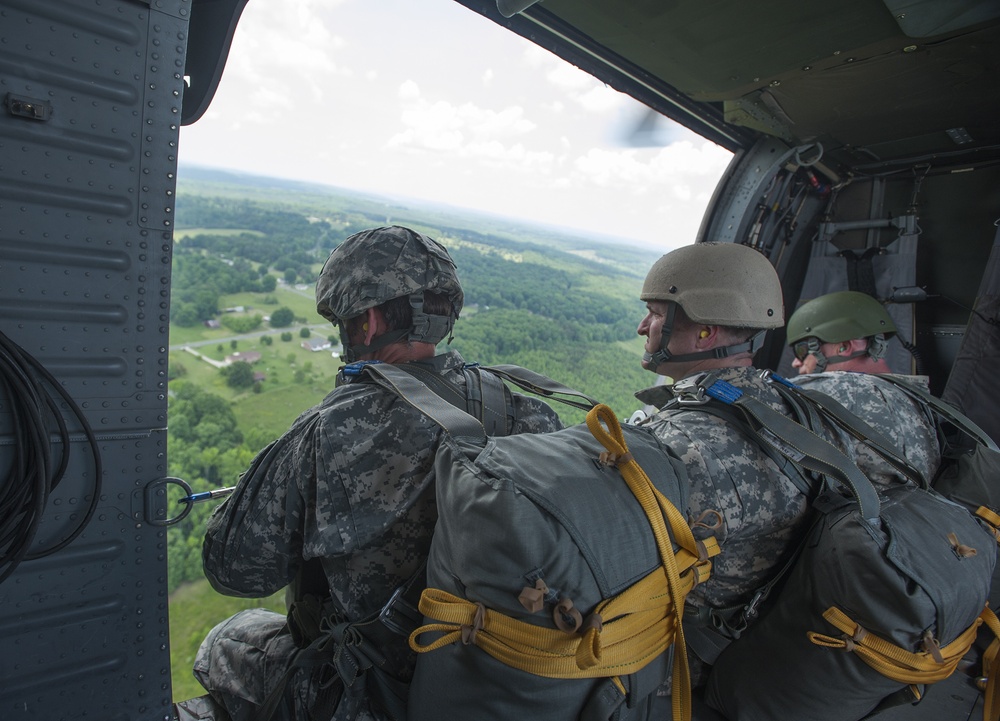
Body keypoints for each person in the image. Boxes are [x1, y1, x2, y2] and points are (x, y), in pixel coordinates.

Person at [190, 226, 562, 721]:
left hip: (374, 695)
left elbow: (233, 568)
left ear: (366, 322)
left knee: (227, 639)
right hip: (498, 687)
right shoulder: (528, 413)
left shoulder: (331, 429)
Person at [631, 243, 941, 693]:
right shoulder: (843, 403)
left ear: (705, 331)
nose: (644, 326)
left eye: (657, 314)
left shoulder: (683, 446)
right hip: (805, 632)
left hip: (700, 660)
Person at [786, 290, 897, 374]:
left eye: (801, 351)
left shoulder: (821, 395)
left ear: (843, 347)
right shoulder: (909, 394)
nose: (795, 363)